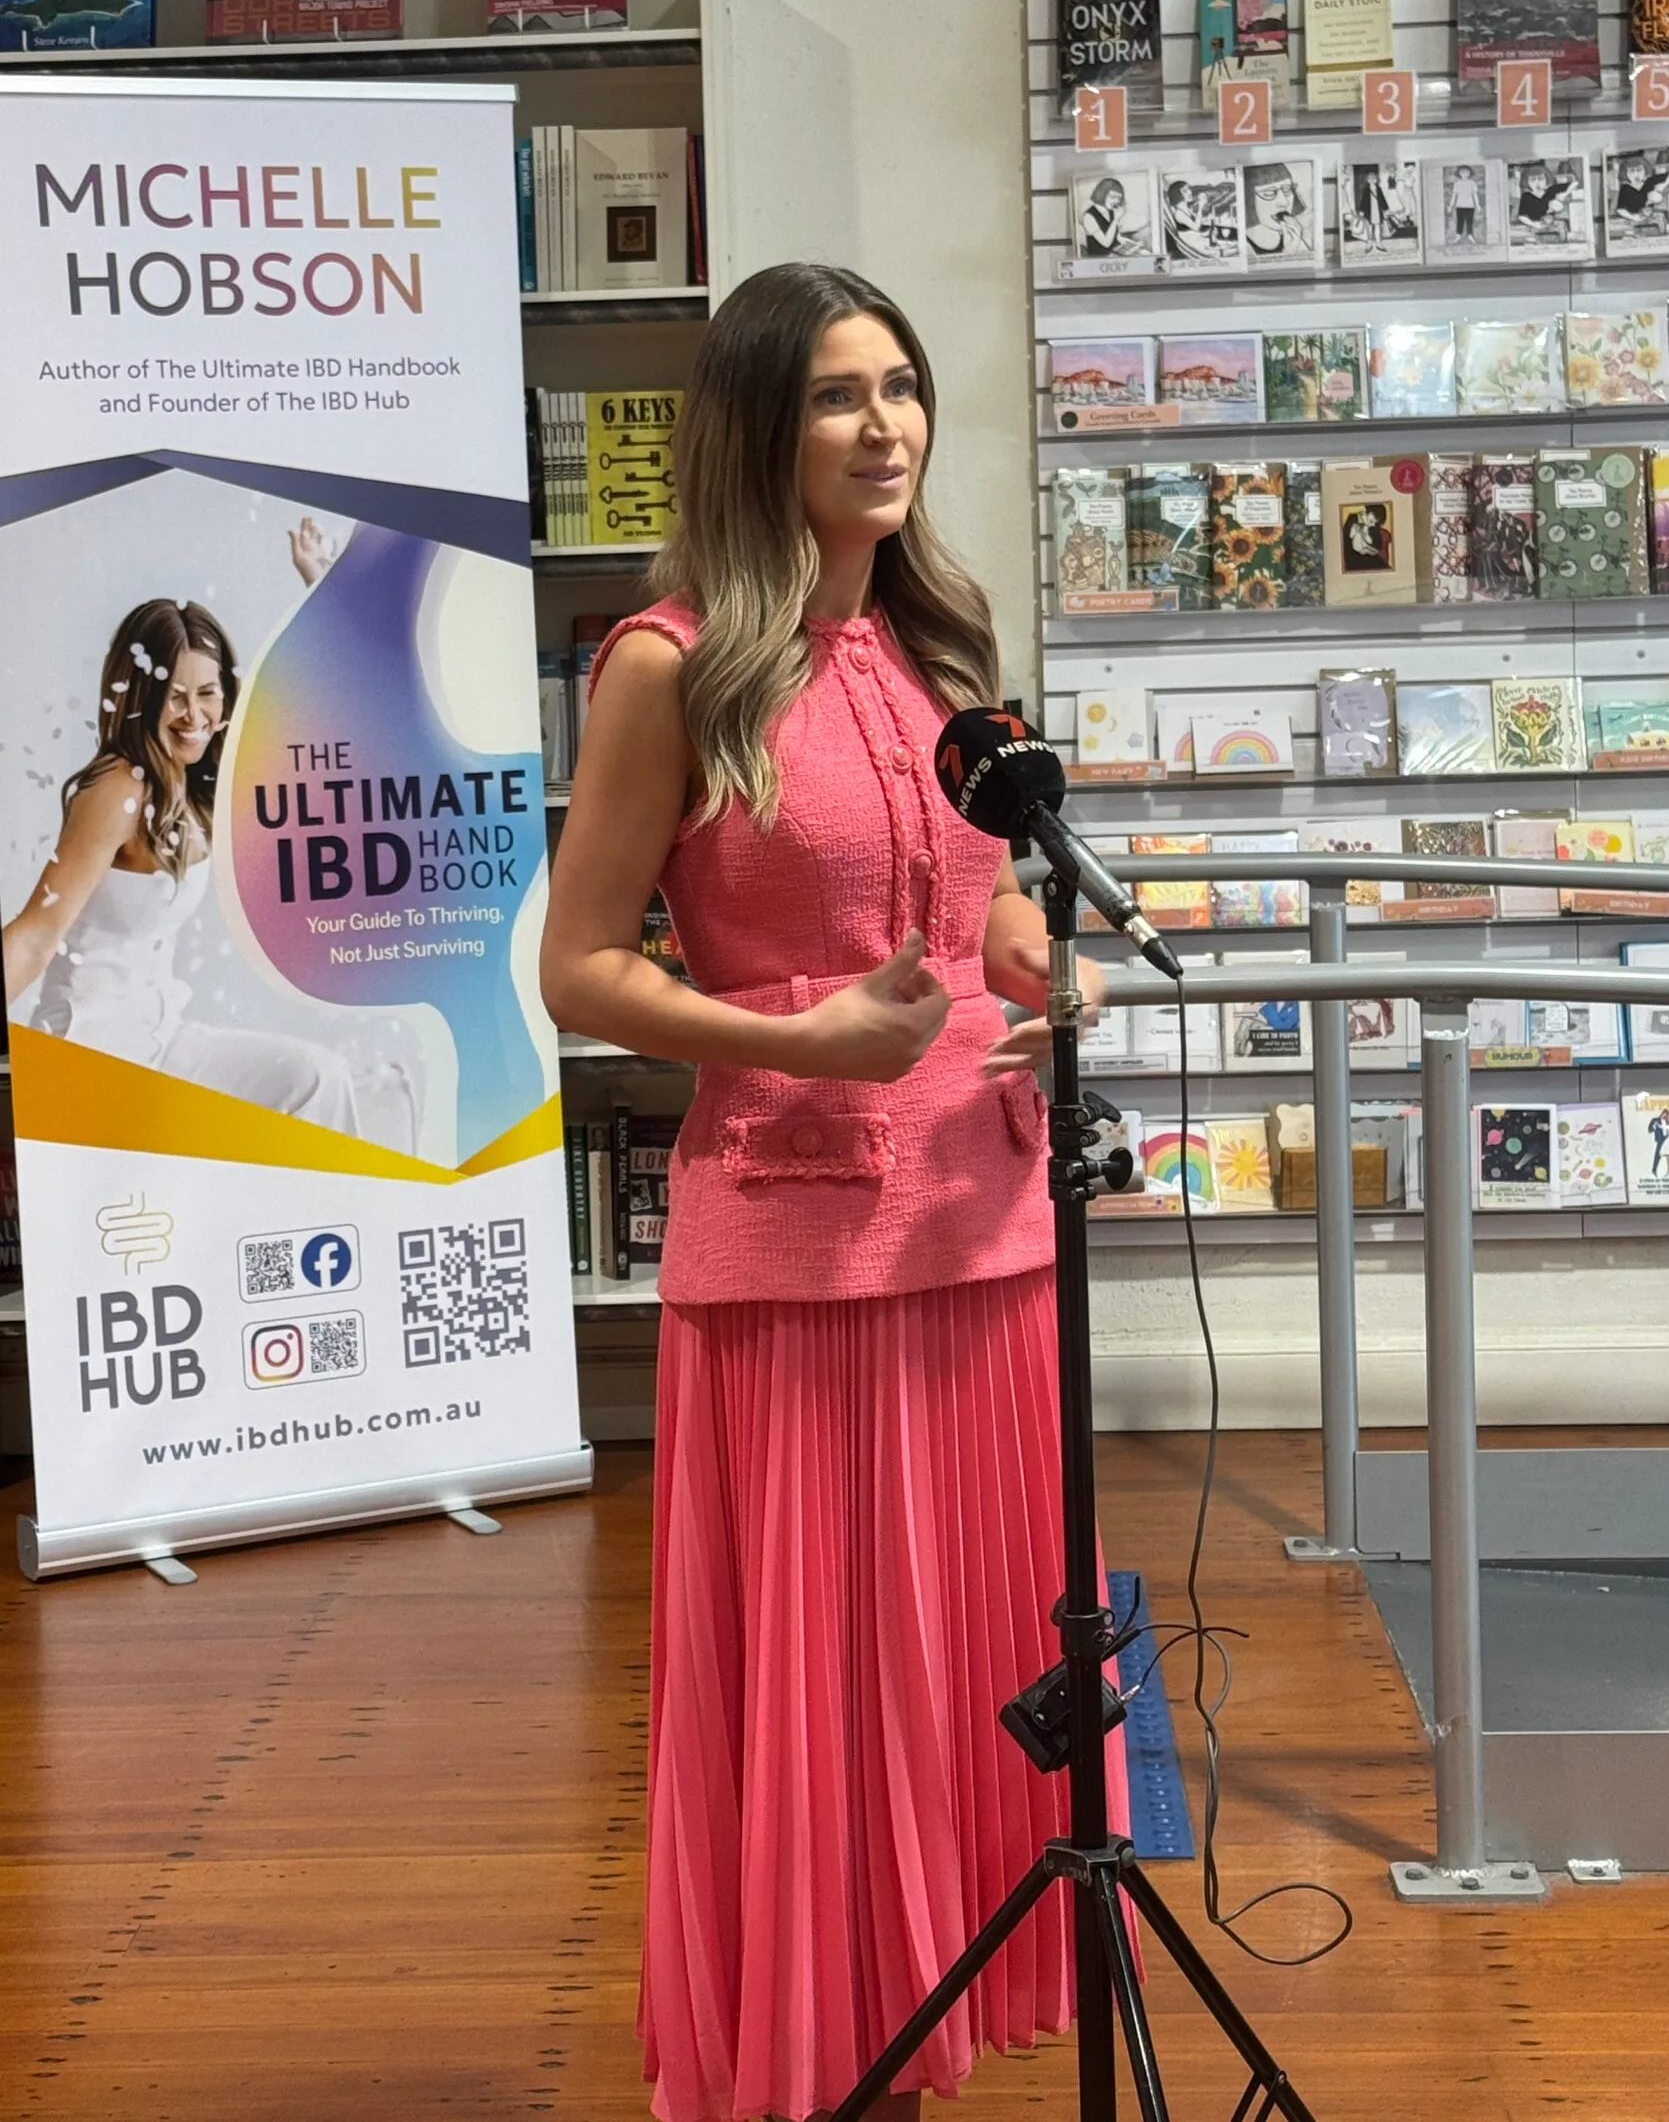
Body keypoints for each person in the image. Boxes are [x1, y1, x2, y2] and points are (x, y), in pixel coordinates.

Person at [540, 263, 1129, 2122]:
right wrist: (807, 1046)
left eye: (902, 390)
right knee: (820, 1685)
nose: (886, 429)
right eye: (834, 399)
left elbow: (984, 906)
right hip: (794, 1240)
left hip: (989, 1220)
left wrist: (1048, 966)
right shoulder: (671, 661)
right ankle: (804, 2040)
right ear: (754, 428)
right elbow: (579, 970)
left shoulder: (946, 646)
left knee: (975, 1653)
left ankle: (940, 2002)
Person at [2, 520, 357, 1128]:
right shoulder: (119, 789)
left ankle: (346, 1217)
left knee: (318, 1079)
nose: (194, 715)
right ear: (139, 694)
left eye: (208, 694)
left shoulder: (202, 780)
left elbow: (318, 716)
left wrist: (319, 587)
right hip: (98, 1051)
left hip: (165, 1036)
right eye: (173, 695)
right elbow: (38, 931)